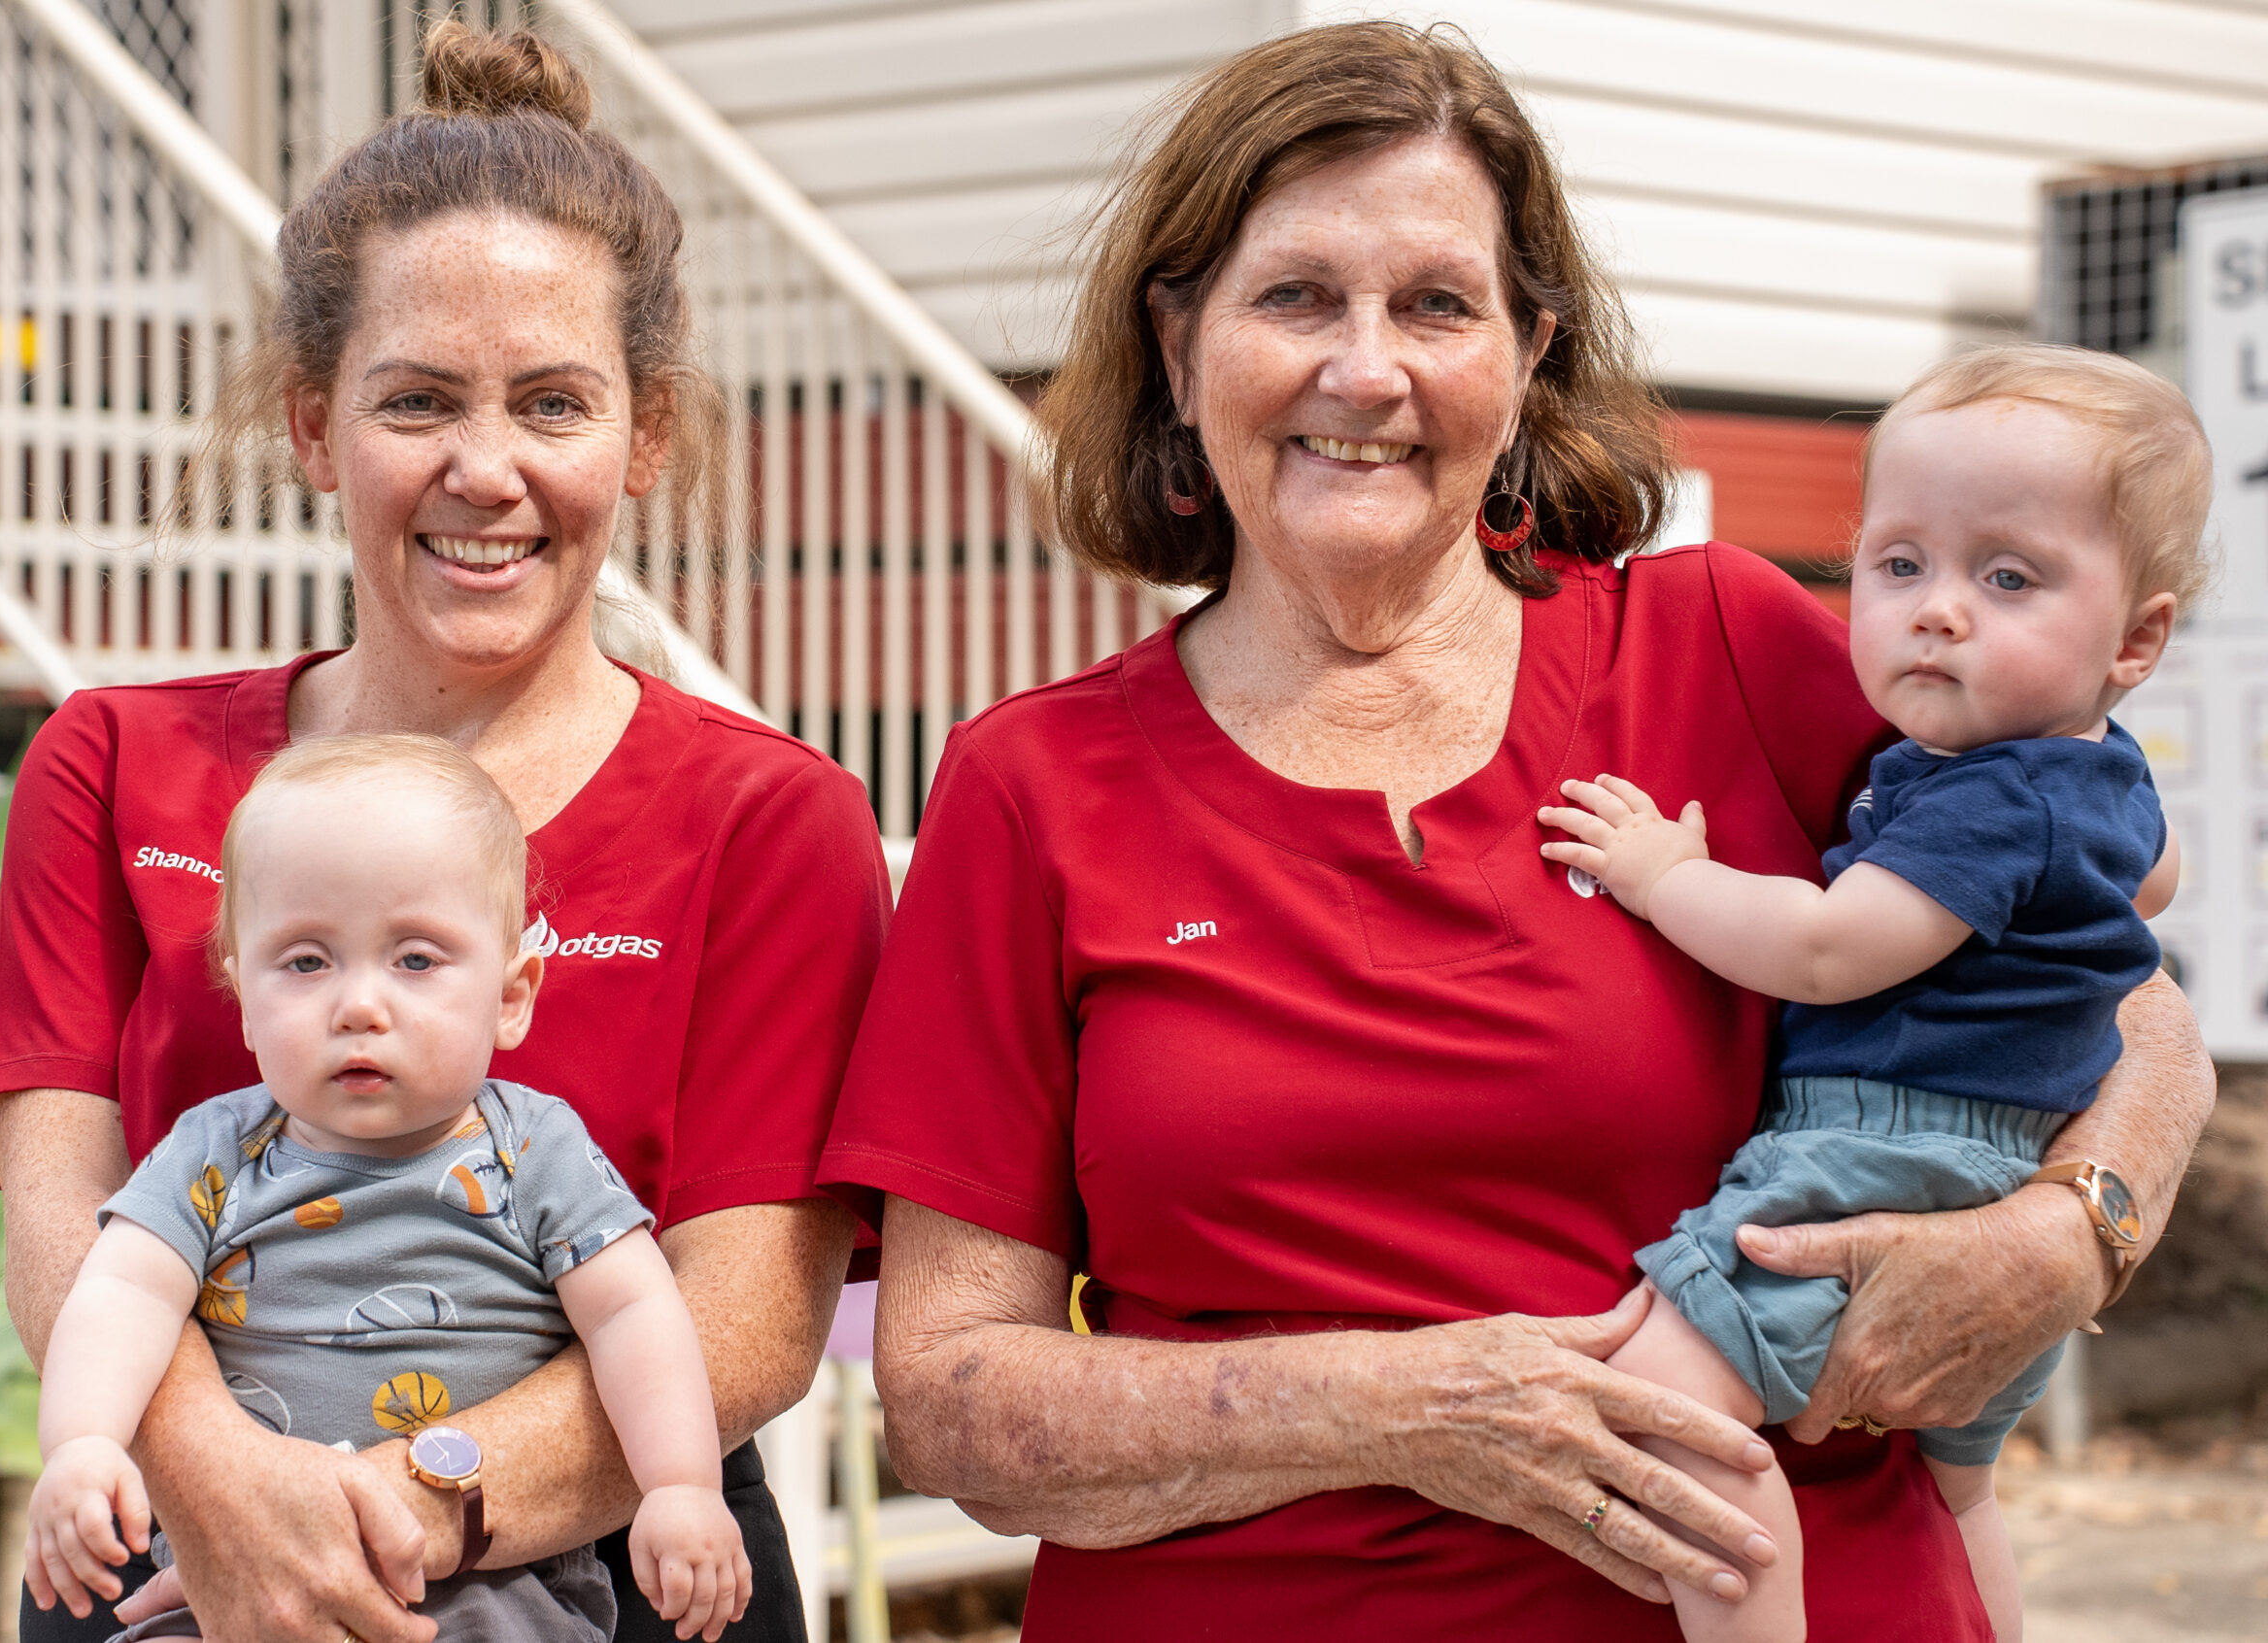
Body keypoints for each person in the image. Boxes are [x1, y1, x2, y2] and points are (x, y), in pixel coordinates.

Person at [818, 22, 2215, 1641]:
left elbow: (2122, 992)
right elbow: (952, 1395)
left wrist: (2069, 1233)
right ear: (1181, 340)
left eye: (1437, 303)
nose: (1367, 369)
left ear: (1529, 348)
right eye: (1295, 297)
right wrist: (1407, 1403)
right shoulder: (1035, 785)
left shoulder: (1733, 652)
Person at [0, 25, 889, 1643]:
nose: (486, 468)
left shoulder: (770, 818)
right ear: (315, 429)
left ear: (643, 437)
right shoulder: (113, 767)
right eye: (417, 400)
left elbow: (742, 1323)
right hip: (183, 1557)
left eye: (555, 403)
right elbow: (64, 1241)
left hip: (616, 1568)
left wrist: (381, 1507)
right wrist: (232, 1492)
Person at [1537, 345, 2206, 1643]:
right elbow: (2155, 884)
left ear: (2137, 638)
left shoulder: (1995, 800)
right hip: (2004, 1173)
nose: (1939, 610)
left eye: (2008, 578)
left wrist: (1665, 873)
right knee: (1959, 1499)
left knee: (1665, 1423)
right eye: (1900, 566)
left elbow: (1831, 951)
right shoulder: (2093, 768)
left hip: (1880, 1160)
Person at [25, 735, 752, 1643]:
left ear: (511, 996)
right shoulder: (214, 1154)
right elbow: (120, 1290)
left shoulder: (534, 1150)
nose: (359, 1005)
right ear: (242, 1000)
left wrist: (679, 1485)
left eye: (415, 960)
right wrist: (85, 1442)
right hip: (243, 1584)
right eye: (305, 962)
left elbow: (636, 1317)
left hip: (497, 1589)